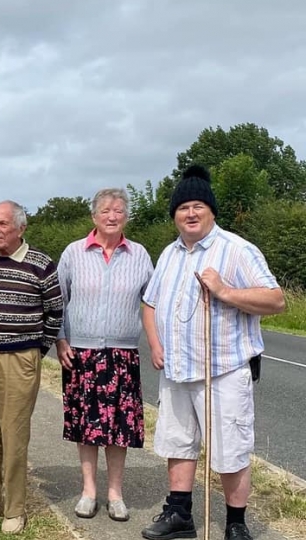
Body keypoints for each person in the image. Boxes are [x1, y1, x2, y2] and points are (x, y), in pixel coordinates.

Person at [141, 165, 285, 540]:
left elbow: (276, 300)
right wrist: (156, 345)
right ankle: (179, 514)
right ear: (174, 214)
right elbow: (150, 303)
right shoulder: (170, 254)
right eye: (183, 207)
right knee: (178, 442)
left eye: (198, 206)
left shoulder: (236, 250)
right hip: (176, 370)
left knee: (230, 450)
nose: (190, 213)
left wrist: (225, 291)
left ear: (211, 211)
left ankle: (236, 524)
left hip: (221, 371)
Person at [56, 189, 153, 522]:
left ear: (127, 216)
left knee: (119, 428)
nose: (113, 216)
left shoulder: (139, 254)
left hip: (122, 355)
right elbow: (58, 301)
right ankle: (88, 492)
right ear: (94, 216)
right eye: (106, 210)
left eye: (119, 210)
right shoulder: (73, 253)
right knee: (86, 427)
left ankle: (115, 494)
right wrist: (60, 340)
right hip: (80, 353)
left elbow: (153, 301)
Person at [0, 200, 63, 535]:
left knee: (14, 433)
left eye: (2, 224)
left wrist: (37, 348)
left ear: (21, 228)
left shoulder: (41, 264)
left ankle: (14, 508)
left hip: (20, 359)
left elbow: (54, 312)